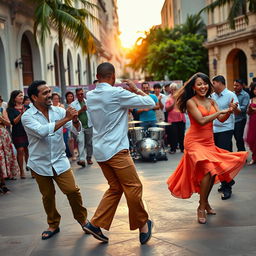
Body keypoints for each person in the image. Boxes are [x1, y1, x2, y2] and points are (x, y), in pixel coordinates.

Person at [84, 62, 154, 244]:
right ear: (113, 77)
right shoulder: (117, 93)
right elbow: (150, 102)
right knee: (134, 187)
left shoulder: (90, 95)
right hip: (116, 150)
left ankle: (96, 224)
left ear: (97, 76)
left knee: (115, 188)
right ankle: (143, 224)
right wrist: (135, 89)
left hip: (100, 150)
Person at [167, 72, 247, 224]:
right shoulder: (191, 102)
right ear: (194, 87)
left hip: (208, 142)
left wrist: (229, 110)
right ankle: (201, 208)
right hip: (194, 142)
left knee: (211, 174)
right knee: (208, 171)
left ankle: (204, 202)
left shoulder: (211, 101)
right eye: (199, 84)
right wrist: (219, 111)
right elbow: (202, 120)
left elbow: (221, 119)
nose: (203, 86)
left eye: (205, 84)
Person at [21, 80, 88, 240]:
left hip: (59, 160)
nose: (49, 95)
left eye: (49, 91)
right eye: (44, 93)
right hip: (39, 163)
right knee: (48, 196)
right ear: (34, 97)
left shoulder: (58, 111)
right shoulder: (27, 117)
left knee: (72, 191)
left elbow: (75, 130)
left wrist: (75, 120)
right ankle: (53, 224)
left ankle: (83, 220)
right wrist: (66, 119)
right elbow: (42, 132)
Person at [211, 75, 241, 200]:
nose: (212, 86)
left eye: (214, 83)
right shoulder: (211, 96)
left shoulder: (230, 95)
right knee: (216, 159)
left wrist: (233, 109)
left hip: (226, 129)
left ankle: (227, 187)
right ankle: (226, 181)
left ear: (220, 83)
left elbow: (238, 111)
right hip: (213, 130)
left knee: (224, 158)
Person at [7, 90, 29, 179]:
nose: (22, 97)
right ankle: (22, 171)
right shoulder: (10, 109)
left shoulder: (27, 107)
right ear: (14, 98)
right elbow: (13, 122)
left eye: (22, 96)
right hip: (18, 132)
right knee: (20, 150)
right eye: (20, 96)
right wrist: (21, 114)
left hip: (28, 131)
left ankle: (30, 167)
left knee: (28, 150)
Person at [71, 88, 93, 167]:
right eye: (79, 94)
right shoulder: (73, 104)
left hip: (89, 125)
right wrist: (81, 110)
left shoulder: (88, 102)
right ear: (76, 95)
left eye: (81, 94)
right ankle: (82, 159)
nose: (80, 95)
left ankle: (89, 157)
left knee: (89, 143)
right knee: (80, 141)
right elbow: (73, 115)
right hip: (79, 127)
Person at [165, 82, 186, 154]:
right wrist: (173, 102)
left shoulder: (180, 97)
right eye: (172, 89)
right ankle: (173, 149)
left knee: (181, 134)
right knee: (173, 135)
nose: (174, 91)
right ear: (170, 90)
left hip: (181, 118)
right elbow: (167, 109)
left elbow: (184, 107)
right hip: (172, 119)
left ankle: (182, 148)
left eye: (175, 89)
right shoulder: (169, 98)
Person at [0, 107, 19, 180]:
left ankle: (7, 174)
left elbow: (8, 123)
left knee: (5, 154)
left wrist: (1, 119)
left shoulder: (1, 110)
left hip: (2, 134)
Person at [233, 79, 250, 151]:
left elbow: (244, 108)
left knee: (239, 138)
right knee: (235, 137)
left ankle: (242, 153)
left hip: (240, 119)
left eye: (237, 85)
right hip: (232, 119)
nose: (235, 87)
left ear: (242, 86)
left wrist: (235, 107)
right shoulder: (232, 94)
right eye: (234, 85)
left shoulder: (245, 95)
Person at [245, 82, 256, 165]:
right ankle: (254, 157)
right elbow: (248, 112)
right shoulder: (251, 100)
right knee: (252, 140)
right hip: (253, 122)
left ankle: (254, 158)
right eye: (255, 89)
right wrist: (250, 110)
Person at [64, 91, 77, 160]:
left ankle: (79, 153)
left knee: (78, 139)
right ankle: (73, 155)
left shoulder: (76, 104)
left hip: (77, 123)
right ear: (66, 97)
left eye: (71, 96)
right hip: (69, 123)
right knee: (71, 139)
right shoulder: (64, 105)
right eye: (68, 96)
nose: (70, 97)